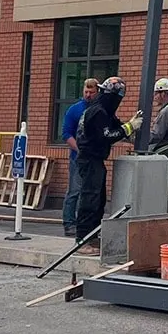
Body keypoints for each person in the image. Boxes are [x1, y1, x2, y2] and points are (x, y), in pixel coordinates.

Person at [72, 78, 138, 242]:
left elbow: (116, 127)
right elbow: (107, 135)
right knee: (90, 198)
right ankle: (83, 238)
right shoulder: (99, 112)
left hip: (94, 160)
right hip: (90, 160)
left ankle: (92, 236)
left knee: (98, 199)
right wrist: (129, 127)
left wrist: (128, 129)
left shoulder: (104, 111)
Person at [59, 78, 99, 236]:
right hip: (78, 157)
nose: (88, 95)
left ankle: (84, 222)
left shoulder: (99, 110)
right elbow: (66, 134)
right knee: (74, 190)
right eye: (86, 92)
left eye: (92, 92)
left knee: (88, 191)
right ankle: (69, 223)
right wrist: (80, 150)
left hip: (93, 158)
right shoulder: (75, 110)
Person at [142, 76, 168, 196]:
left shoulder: (166, 112)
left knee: (158, 194)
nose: (155, 97)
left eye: (156, 93)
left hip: (162, 158)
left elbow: (156, 135)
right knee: (163, 194)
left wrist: (136, 138)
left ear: (164, 93)